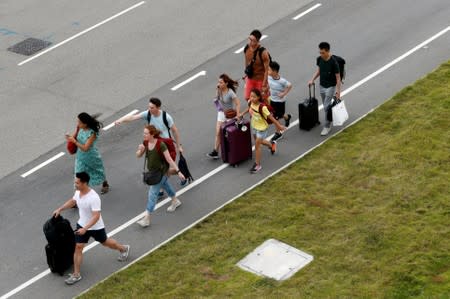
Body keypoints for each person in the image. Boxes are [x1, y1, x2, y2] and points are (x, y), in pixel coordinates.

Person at [52, 172, 130, 285]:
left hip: (95, 227)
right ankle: (76, 274)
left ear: (84, 183)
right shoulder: (78, 192)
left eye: (77, 182)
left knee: (106, 243)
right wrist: (60, 209)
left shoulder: (93, 197)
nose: (75, 184)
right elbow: (73, 201)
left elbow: (96, 216)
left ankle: (123, 249)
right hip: (82, 224)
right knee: (78, 247)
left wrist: (85, 229)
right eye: (75, 182)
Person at [115, 97, 185, 194]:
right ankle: (179, 173)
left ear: (158, 107)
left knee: (164, 170)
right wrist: (121, 120)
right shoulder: (148, 114)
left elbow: (175, 131)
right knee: (161, 169)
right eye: (149, 107)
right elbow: (133, 117)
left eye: (152, 107)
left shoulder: (166, 117)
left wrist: (178, 146)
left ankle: (166, 183)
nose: (150, 109)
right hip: (154, 144)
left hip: (166, 145)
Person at [136, 125, 186, 227]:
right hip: (153, 173)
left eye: (146, 133)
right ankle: (175, 201)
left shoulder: (160, 144)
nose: (143, 135)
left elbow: (169, 160)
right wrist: (140, 150)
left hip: (161, 172)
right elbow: (138, 156)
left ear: (152, 134)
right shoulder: (146, 142)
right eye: (143, 133)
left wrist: (178, 171)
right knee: (165, 185)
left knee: (152, 194)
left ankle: (147, 218)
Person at [241, 89, 286, 173]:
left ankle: (257, 165)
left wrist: (279, 126)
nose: (251, 98)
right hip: (254, 126)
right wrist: (242, 114)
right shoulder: (250, 102)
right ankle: (271, 145)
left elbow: (271, 118)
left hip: (262, 128)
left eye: (254, 96)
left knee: (257, 145)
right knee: (259, 141)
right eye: (251, 96)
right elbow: (249, 108)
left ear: (258, 97)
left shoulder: (263, 107)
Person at [65, 112, 109, 194]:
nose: (77, 124)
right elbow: (74, 137)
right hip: (80, 157)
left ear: (85, 124)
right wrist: (70, 139)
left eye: (79, 122)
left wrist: (74, 141)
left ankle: (104, 183)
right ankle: (77, 197)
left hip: (91, 156)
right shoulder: (79, 128)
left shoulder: (92, 133)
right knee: (78, 176)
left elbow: (85, 148)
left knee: (98, 171)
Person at [308, 41, 341, 136]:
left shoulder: (333, 62)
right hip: (321, 85)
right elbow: (319, 71)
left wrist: (338, 92)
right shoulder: (319, 59)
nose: (321, 54)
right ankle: (330, 112)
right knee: (326, 105)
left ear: (328, 51)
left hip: (330, 87)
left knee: (326, 106)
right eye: (320, 52)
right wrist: (312, 79)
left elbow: (338, 78)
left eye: (323, 52)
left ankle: (327, 126)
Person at [207, 74, 242, 159]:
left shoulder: (230, 92)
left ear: (226, 83)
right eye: (218, 82)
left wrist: (237, 115)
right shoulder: (219, 90)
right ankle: (215, 151)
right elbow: (216, 99)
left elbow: (238, 103)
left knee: (229, 134)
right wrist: (217, 91)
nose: (219, 84)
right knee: (218, 132)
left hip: (229, 115)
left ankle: (234, 150)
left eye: (221, 82)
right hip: (221, 113)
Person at [243, 29, 271, 102]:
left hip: (260, 80)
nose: (250, 42)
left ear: (258, 41)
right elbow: (247, 61)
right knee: (247, 98)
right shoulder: (246, 48)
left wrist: (264, 84)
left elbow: (266, 70)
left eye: (252, 40)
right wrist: (246, 73)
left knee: (262, 100)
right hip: (251, 78)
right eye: (249, 39)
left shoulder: (263, 53)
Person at [268, 61, 292, 142]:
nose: (268, 71)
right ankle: (287, 117)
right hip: (272, 99)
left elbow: (290, 85)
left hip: (280, 102)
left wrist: (284, 93)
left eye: (269, 70)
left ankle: (278, 133)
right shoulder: (269, 77)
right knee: (278, 115)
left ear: (274, 71)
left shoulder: (282, 81)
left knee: (276, 117)